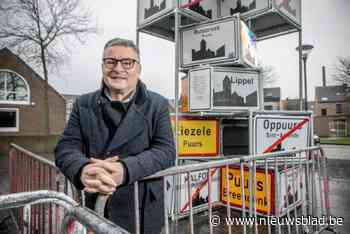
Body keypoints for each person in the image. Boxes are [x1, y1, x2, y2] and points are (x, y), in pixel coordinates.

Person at [55, 37, 176, 234]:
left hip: (143, 208)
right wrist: (82, 170)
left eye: (127, 62)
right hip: (95, 206)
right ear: (103, 66)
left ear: (138, 69)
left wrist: (125, 170)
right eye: (110, 61)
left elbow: (166, 151)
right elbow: (65, 148)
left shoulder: (157, 104)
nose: (118, 68)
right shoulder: (83, 104)